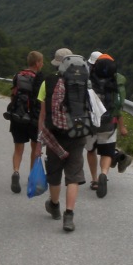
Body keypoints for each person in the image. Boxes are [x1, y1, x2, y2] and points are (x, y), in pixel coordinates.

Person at [37, 48, 88, 232]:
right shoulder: (83, 82)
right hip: (78, 133)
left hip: (55, 135)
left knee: (55, 173)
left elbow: (43, 115)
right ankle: (69, 215)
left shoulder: (48, 83)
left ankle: (54, 205)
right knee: (73, 176)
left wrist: (39, 140)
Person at [85, 51, 130, 198]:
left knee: (91, 151)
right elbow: (118, 107)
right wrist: (122, 126)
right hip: (109, 124)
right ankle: (103, 173)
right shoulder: (117, 83)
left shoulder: (88, 80)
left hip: (91, 124)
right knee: (107, 152)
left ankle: (94, 180)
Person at [6, 51, 45, 193]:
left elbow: (13, 94)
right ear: (37, 63)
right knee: (35, 148)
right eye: (41, 62)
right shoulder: (40, 79)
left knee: (18, 148)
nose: (42, 64)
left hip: (18, 116)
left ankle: (16, 172)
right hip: (33, 118)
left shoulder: (18, 75)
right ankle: (32, 177)